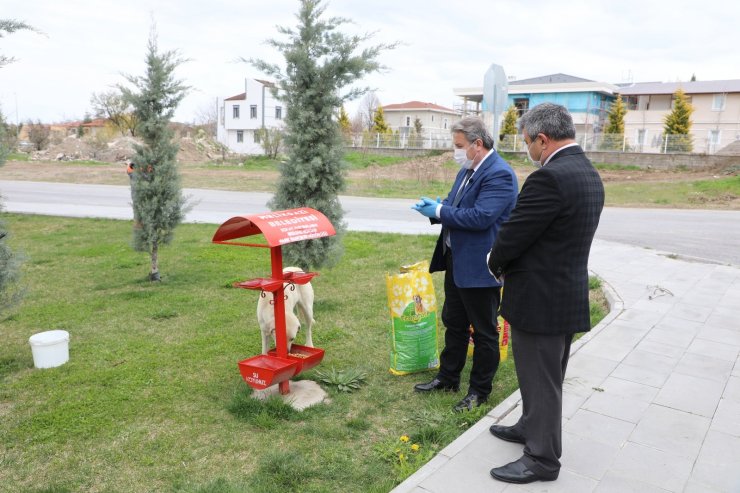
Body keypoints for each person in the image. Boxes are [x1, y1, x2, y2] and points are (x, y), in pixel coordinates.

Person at [486, 103, 605, 484]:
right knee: (543, 376)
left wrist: (494, 261)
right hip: (563, 293)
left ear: (542, 139)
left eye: (527, 143)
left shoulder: (549, 177)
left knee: (542, 380)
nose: (528, 151)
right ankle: (529, 425)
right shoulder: (587, 172)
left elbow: (515, 235)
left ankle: (541, 459)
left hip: (539, 299)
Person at [411, 116, 518, 412]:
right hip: (456, 260)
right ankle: (448, 377)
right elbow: (453, 204)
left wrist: (441, 210)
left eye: (459, 146)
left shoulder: (499, 174)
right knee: (454, 322)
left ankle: (479, 391)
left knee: (484, 332)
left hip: (481, 266)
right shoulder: (468, 169)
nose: (456, 151)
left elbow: (481, 217)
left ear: (478, 144)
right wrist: (434, 209)